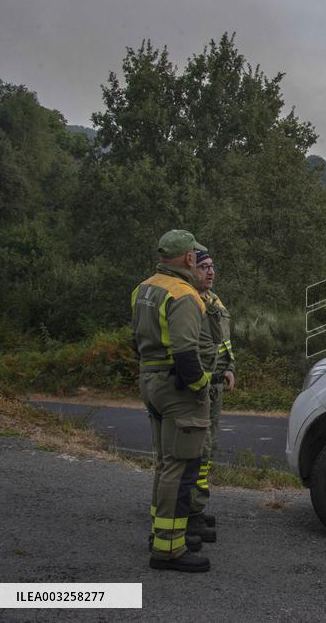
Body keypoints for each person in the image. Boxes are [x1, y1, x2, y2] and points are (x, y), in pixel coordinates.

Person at [131, 229, 213, 572]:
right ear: (189, 258)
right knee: (180, 467)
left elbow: (135, 340)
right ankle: (168, 550)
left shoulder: (143, 288)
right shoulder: (184, 295)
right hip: (177, 389)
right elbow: (185, 352)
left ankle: (162, 534)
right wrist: (202, 384)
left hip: (150, 379)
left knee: (166, 463)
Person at [188, 250, 235, 539]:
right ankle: (189, 511)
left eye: (212, 267)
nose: (210, 272)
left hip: (216, 385)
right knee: (196, 449)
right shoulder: (188, 301)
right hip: (199, 385)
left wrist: (230, 367)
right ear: (192, 270)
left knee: (208, 450)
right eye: (204, 267)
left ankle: (197, 506)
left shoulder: (215, 300)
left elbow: (225, 342)